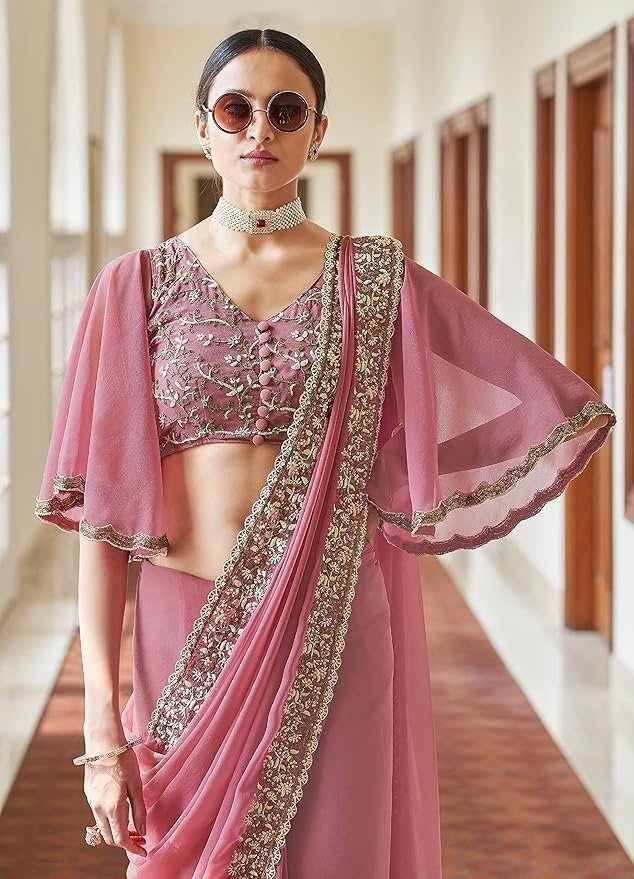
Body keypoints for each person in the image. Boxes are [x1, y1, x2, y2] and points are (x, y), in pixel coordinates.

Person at [34, 27, 616, 879]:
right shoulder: (136, 286)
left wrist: (383, 482)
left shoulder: (373, 280)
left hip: (336, 616)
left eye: (285, 110)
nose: (257, 130)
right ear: (202, 127)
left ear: (318, 131)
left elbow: (519, 395)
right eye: (235, 109)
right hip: (185, 625)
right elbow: (105, 524)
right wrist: (99, 731)